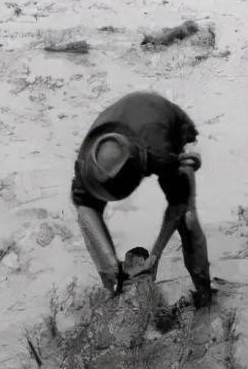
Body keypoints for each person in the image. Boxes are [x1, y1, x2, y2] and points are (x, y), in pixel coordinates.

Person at [71, 91, 212, 306]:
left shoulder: (160, 153)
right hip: (124, 121)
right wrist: (109, 265)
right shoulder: (87, 162)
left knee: (188, 221)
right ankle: (111, 288)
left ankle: (204, 293)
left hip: (168, 125)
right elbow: (84, 212)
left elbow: (178, 206)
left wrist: (154, 256)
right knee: (91, 223)